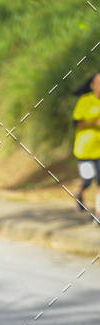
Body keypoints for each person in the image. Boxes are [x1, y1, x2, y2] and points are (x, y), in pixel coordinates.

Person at [72, 71, 100, 223]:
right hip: (85, 150)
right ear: (92, 86)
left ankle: (98, 213)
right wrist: (94, 123)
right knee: (88, 180)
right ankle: (79, 191)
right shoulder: (85, 101)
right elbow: (76, 123)